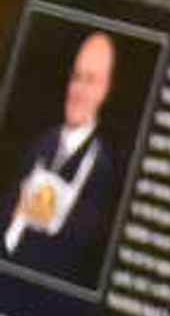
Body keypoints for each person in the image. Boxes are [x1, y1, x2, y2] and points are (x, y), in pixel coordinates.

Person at [5, 28, 134, 288]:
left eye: (91, 80)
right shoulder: (41, 144)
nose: (78, 89)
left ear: (106, 90)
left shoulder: (103, 170)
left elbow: (81, 254)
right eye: (76, 77)